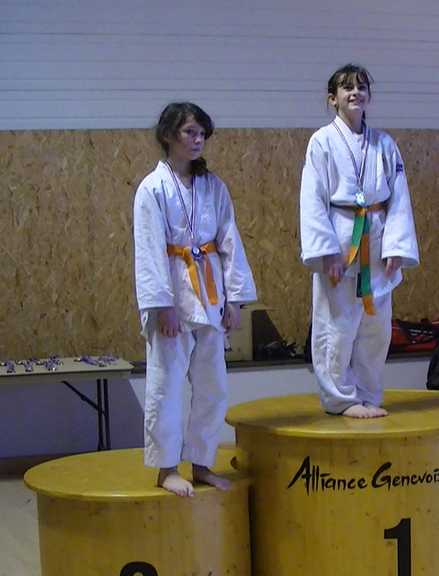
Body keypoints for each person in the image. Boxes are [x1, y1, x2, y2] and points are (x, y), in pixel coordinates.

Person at [133, 102, 257, 497]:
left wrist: (235, 300)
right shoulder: (152, 189)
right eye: (190, 132)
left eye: (202, 133)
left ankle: (202, 463)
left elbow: (229, 241)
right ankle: (167, 469)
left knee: (212, 386)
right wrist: (162, 306)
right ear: (168, 135)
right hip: (172, 293)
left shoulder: (213, 186)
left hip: (210, 293)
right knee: (166, 386)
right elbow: (148, 250)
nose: (198, 139)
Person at [299, 63, 419, 418]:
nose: (356, 93)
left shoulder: (384, 144)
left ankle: (368, 394)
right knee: (337, 327)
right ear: (332, 99)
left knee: (375, 330)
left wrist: (396, 247)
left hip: (378, 244)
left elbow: (399, 197)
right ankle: (340, 398)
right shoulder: (322, 142)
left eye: (362, 87)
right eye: (347, 88)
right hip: (340, 245)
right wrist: (325, 252)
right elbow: (312, 198)